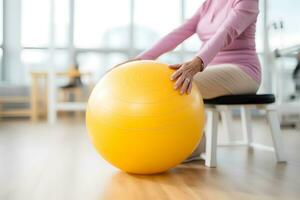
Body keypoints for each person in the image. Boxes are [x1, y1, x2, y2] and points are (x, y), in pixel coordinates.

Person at [115, 0, 261, 162]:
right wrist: (140, 59)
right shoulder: (208, 4)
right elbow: (177, 34)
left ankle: (192, 144)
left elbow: (225, 33)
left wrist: (198, 62)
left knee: (178, 82)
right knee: (169, 78)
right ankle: (194, 143)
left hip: (242, 71)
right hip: (208, 67)